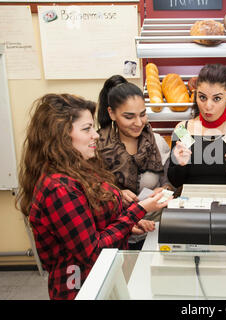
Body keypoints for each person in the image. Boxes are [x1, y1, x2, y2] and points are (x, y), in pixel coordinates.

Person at [16, 94, 171, 299]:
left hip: (105, 278)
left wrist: (129, 225)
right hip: (80, 288)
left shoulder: (80, 169)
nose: (96, 135)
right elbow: (93, 251)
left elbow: (92, 224)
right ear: (61, 135)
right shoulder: (59, 188)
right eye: (86, 129)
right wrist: (138, 210)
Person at [97, 75, 173, 249]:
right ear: (111, 113)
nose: (138, 123)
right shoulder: (97, 146)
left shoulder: (157, 142)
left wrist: (165, 190)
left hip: (154, 233)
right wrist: (115, 193)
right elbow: (89, 191)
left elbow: (168, 181)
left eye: (143, 114)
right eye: (129, 117)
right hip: (113, 239)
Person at [167, 64, 226, 189]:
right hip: (191, 203)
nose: (208, 106)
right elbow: (175, 182)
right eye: (202, 97)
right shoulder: (183, 130)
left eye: (217, 98)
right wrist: (181, 166)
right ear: (196, 95)